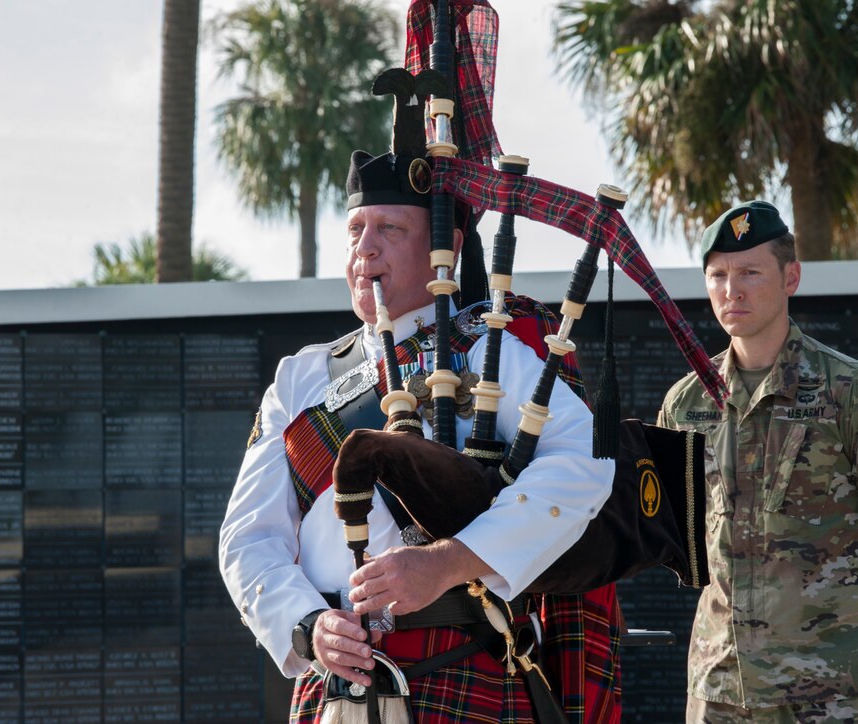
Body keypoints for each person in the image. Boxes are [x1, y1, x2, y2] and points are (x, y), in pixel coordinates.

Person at [219, 149, 623, 723]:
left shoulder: (488, 354)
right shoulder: (300, 378)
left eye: (390, 228)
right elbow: (248, 539)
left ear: (447, 250)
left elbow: (585, 462)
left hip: (464, 663)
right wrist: (308, 626)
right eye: (356, 229)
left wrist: (449, 563)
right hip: (337, 683)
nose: (365, 247)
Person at [657, 201, 858, 723]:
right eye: (717, 274)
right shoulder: (686, 403)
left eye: (749, 272)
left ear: (791, 277)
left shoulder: (853, 392)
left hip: (833, 686)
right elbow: (681, 531)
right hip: (721, 687)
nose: (731, 290)